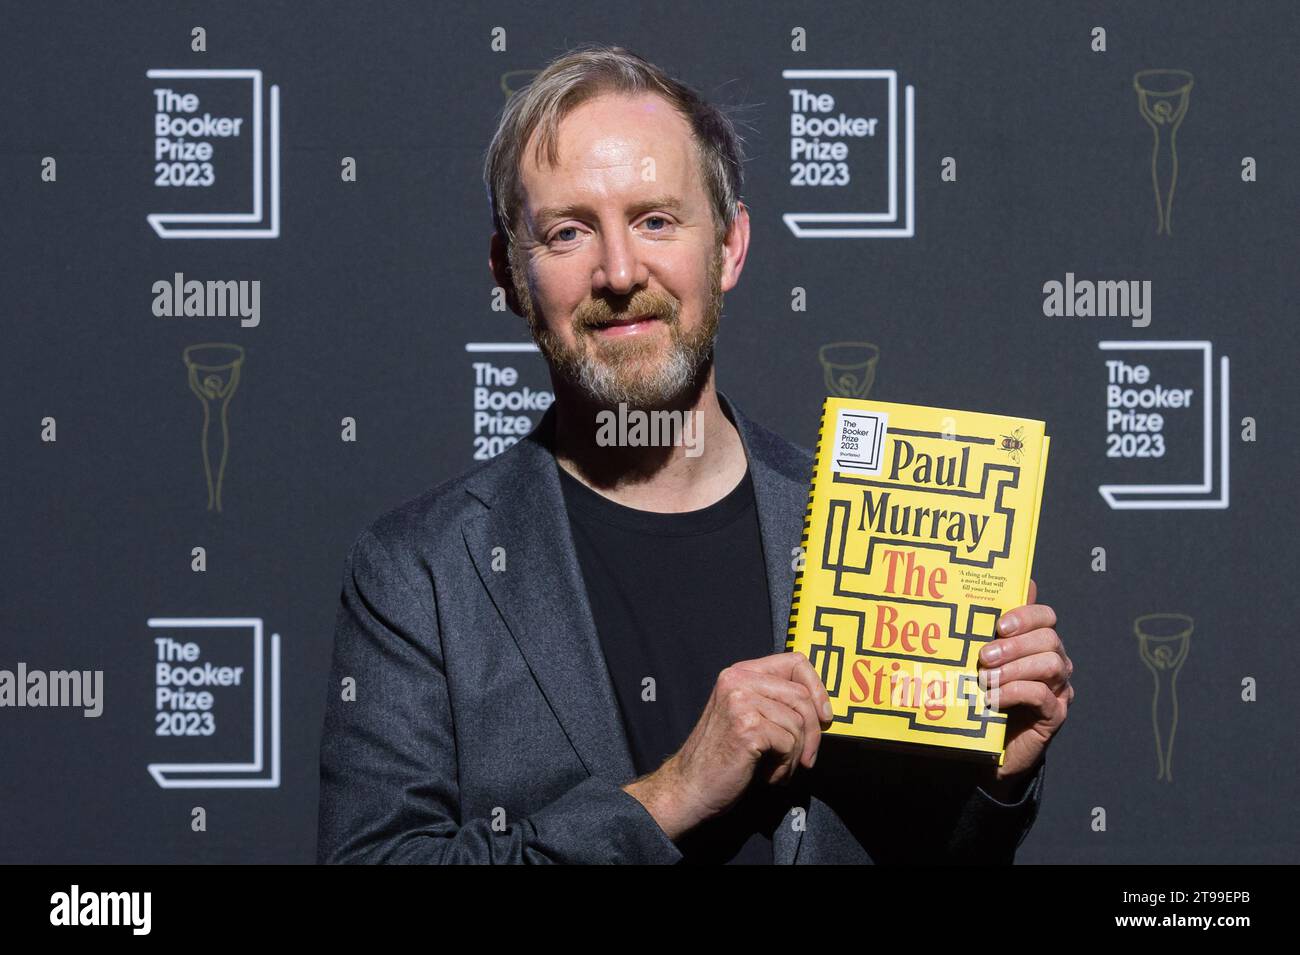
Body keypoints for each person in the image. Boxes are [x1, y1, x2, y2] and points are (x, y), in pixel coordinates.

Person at [316, 44, 1074, 864]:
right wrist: (671, 794)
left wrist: (996, 778)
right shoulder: (420, 572)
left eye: (655, 220)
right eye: (568, 232)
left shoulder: (865, 529)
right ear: (510, 276)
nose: (619, 272)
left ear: (730, 246)